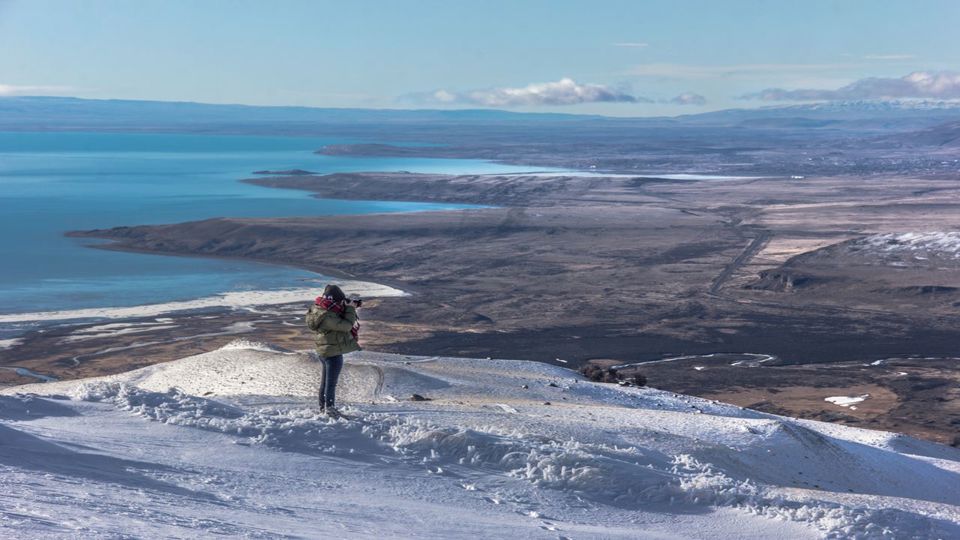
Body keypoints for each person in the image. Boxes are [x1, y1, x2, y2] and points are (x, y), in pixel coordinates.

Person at [305, 284, 361, 418]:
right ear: (334, 300)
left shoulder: (320, 309)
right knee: (330, 384)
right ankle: (329, 410)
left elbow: (337, 318)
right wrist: (350, 309)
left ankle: (323, 409)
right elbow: (346, 326)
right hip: (333, 352)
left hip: (325, 350)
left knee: (325, 383)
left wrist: (345, 306)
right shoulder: (327, 315)